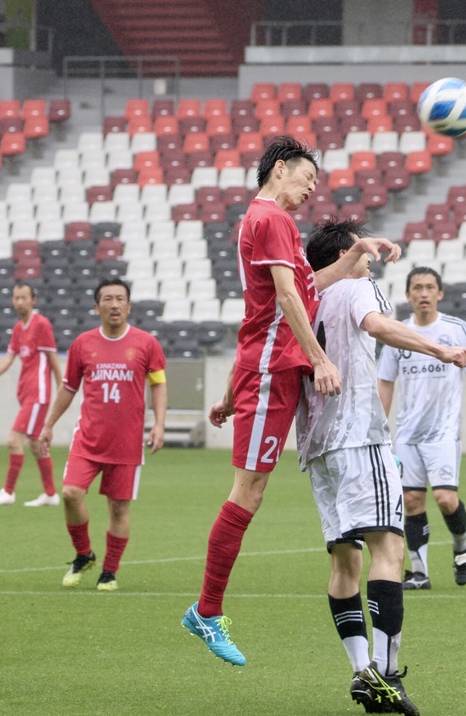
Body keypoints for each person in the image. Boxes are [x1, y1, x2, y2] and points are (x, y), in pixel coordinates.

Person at [181, 136, 401, 667]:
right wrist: (319, 359)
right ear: (280, 169)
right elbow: (283, 300)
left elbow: (299, 292)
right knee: (248, 491)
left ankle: (207, 610)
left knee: (252, 491)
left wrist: (355, 252)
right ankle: (206, 611)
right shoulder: (273, 218)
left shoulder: (262, 219)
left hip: (266, 370)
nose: (311, 190)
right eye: (308, 178)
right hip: (272, 371)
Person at [300, 219, 466, 716]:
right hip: (359, 434)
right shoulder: (357, 286)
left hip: (316, 444)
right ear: (346, 256)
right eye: (363, 251)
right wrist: (439, 349)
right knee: (389, 547)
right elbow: (376, 326)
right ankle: (387, 672)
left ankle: (362, 671)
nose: (371, 261)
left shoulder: (303, 298)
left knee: (343, 559)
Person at [38, 278, 167, 592]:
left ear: (129, 306)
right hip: (88, 439)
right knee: (70, 493)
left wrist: (159, 424)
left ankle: (109, 571)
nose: (114, 304)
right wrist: (48, 424)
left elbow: (158, 384)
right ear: (97, 307)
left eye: (120, 299)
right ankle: (84, 554)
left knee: (119, 508)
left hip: (127, 444)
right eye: (107, 299)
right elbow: (69, 387)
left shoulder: (146, 344)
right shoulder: (83, 344)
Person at [377, 266, 466, 590]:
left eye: (429, 287)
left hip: (443, 431)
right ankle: (420, 573)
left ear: (440, 293)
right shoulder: (398, 333)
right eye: (417, 287)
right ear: (408, 295)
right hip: (407, 433)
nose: (423, 293)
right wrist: (379, 429)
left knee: (445, 498)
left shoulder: (456, 329)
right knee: (411, 500)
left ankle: (461, 548)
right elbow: (385, 381)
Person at [0, 282, 63, 507]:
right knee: (35, 445)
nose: (20, 302)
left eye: (24, 297)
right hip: (26, 393)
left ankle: (8, 492)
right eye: (16, 298)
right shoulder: (18, 328)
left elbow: (53, 360)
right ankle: (50, 494)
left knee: (14, 440)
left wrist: (62, 391)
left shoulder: (41, 324)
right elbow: (8, 358)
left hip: (38, 394)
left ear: (33, 300)